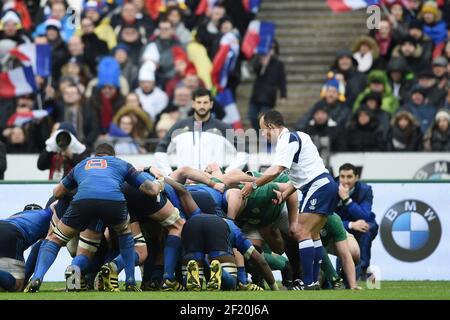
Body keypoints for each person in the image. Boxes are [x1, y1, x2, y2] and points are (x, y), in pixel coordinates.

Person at [24, 143, 164, 293]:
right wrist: (160, 181)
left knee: (56, 240)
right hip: (113, 202)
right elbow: (152, 190)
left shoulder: (81, 165)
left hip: (83, 203)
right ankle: (130, 282)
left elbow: (57, 192)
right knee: (126, 238)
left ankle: (39, 277)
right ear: (113, 156)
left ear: (95, 155)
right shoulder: (121, 164)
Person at [241, 110, 339, 290]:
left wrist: (254, 184)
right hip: (325, 184)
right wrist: (284, 194)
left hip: (318, 186)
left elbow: (276, 170)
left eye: (263, 130)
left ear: (271, 127)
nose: (263, 134)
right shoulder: (301, 136)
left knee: (300, 231)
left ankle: (308, 282)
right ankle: (314, 281)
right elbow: (298, 176)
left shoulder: (286, 140)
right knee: (312, 234)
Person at [154, 88, 248, 175]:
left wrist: (227, 173)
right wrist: (169, 174)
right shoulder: (179, 126)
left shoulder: (222, 127)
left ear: (211, 104)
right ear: (193, 104)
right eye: (199, 102)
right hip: (186, 183)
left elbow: (243, 151)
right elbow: (160, 150)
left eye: (205, 102)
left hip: (213, 184)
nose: (202, 106)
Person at [181, 214, 278, 291]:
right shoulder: (235, 229)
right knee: (231, 286)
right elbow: (259, 259)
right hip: (218, 227)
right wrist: (274, 287)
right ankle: (221, 272)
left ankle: (195, 273)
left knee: (193, 284)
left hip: (191, 223)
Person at [335, 163, 379, 280]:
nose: (345, 180)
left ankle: (362, 271)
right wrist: (351, 225)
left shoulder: (365, 190)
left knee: (367, 228)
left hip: (362, 225)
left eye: (349, 177)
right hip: (341, 226)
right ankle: (339, 273)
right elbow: (329, 219)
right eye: (342, 176)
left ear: (357, 177)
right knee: (339, 233)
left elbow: (365, 215)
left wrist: (347, 200)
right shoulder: (332, 188)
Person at [0, 204, 51, 292]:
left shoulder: (16, 216)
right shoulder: (45, 217)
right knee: (18, 285)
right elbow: (38, 248)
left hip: (4, 227)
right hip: (12, 232)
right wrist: (26, 279)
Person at [248, 40, 287, 130]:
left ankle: (264, 136)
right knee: (252, 116)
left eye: (273, 48)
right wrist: (263, 64)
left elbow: (282, 81)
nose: (270, 50)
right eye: (269, 48)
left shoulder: (278, 64)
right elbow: (255, 70)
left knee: (264, 118)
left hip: (269, 96)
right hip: (257, 94)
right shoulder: (261, 60)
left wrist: (283, 95)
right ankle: (260, 133)